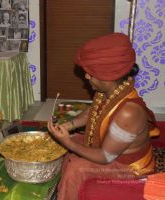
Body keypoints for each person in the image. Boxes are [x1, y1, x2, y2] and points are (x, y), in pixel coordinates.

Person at [47, 33, 160, 200]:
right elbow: (93, 112)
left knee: (75, 168)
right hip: (112, 151)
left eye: (90, 73)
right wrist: (68, 126)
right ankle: (62, 188)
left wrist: (68, 142)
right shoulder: (111, 90)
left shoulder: (128, 112)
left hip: (129, 168)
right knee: (71, 144)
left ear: (109, 77)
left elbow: (105, 157)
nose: (86, 76)